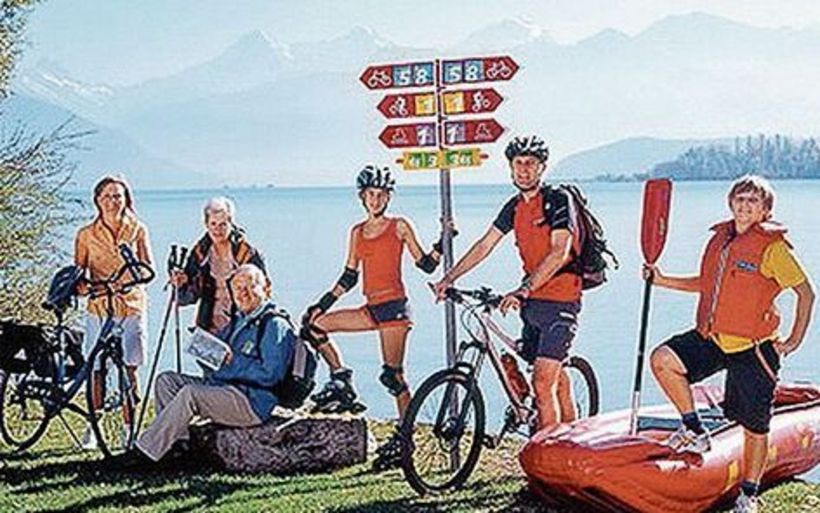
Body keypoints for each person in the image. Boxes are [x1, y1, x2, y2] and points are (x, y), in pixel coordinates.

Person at [646, 175, 814, 513]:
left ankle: (749, 494)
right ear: (731, 202)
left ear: (765, 210)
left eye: (753, 200)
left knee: (755, 425)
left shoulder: (773, 248)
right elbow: (706, 284)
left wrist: (795, 339)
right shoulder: (720, 239)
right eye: (740, 198)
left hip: (754, 349)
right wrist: (662, 280)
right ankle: (694, 428)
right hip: (714, 337)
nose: (745, 205)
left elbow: (806, 292)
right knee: (663, 359)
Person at [432, 135, 585, 432]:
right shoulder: (514, 208)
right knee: (555, 377)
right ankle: (574, 436)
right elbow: (485, 245)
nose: (524, 170)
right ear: (511, 168)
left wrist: (523, 289)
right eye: (518, 164)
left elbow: (560, 251)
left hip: (561, 302)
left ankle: (547, 454)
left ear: (542, 168)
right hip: (532, 306)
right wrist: (449, 278)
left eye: (530, 163)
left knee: (541, 383)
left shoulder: (557, 200)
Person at [301, 165, 444, 467]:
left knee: (393, 377)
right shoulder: (357, 232)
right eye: (370, 195)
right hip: (371, 309)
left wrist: (442, 242)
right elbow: (349, 276)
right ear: (362, 197)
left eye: (381, 195)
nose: (375, 200)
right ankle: (341, 379)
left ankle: (405, 439)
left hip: (394, 310)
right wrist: (321, 305)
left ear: (388, 197)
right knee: (313, 325)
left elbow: (426, 265)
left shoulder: (399, 226)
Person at [114, 263, 296, 468]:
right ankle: (177, 448)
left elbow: (271, 374)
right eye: (237, 288)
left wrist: (233, 361)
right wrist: (204, 346)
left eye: (250, 286)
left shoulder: (274, 324)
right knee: (166, 381)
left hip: (252, 401)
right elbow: (219, 360)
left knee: (190, 394)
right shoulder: (239, 320)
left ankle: (144, 453)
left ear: (266, 288)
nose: (243, 293)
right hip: (227, 388)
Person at [75, 175, 154, 449]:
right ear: (97, 200)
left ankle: (130, 430)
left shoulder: (138, 229)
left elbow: (147, 268)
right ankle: (93, 427)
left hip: (131, 306)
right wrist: (82, 287)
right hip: (99, 307)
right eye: (107, 196)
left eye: (118, 196)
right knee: (96, 368)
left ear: (126, 200)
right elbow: (79, 273)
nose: (112, 201)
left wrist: (129, 279)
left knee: (130, 368)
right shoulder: (86, 234)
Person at [171, 197, 267, 335]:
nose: (217, 230)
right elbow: (186, 298)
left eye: (223, 224)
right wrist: (181, 284)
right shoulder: (200, 253)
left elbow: (263, 293)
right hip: (209, 327)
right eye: (213, 224)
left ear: (231, 223)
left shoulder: (246, 253)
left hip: (240, 327)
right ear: (206, 224)